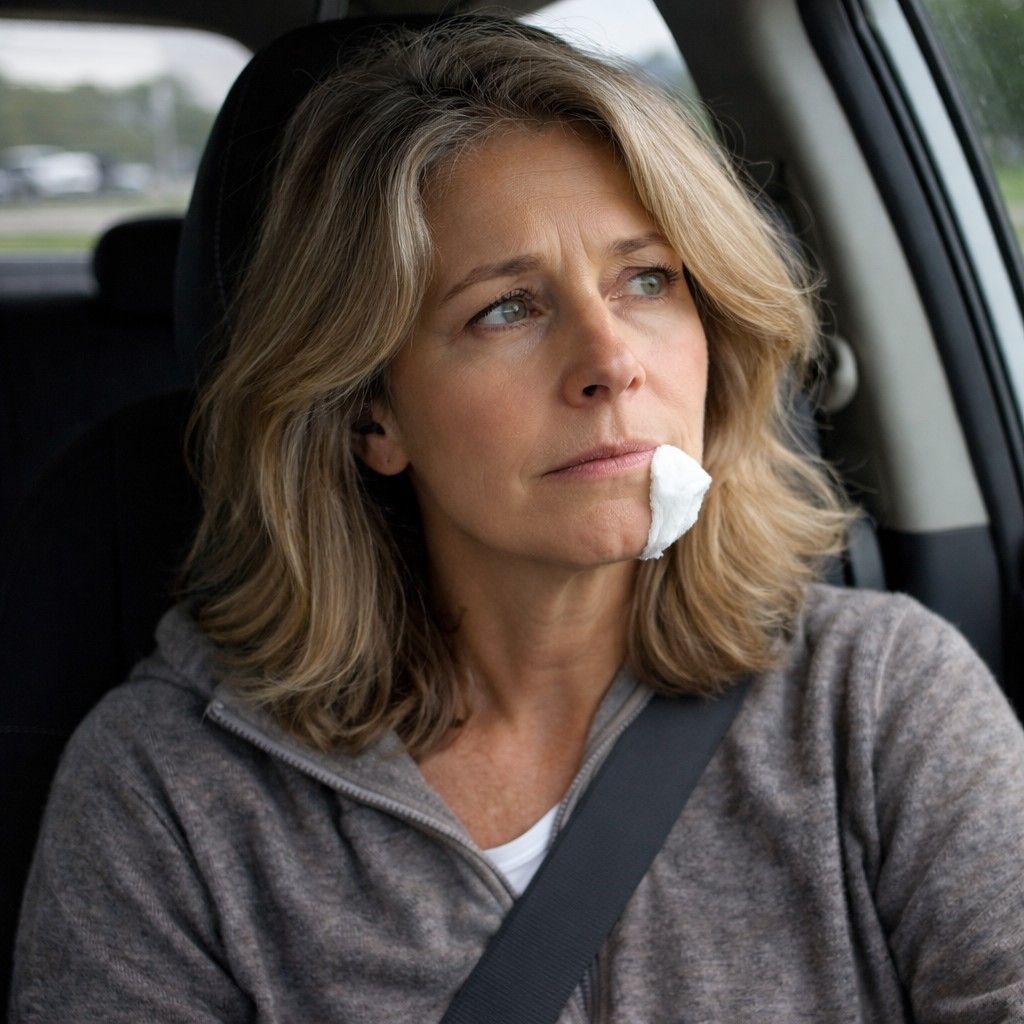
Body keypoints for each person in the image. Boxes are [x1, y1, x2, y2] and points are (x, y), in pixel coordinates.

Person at [10, 15, 1024, 1024]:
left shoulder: (883, 700)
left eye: (647, 281)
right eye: (506, 307)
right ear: (373, 414)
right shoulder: (168, 793)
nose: (611, 359)